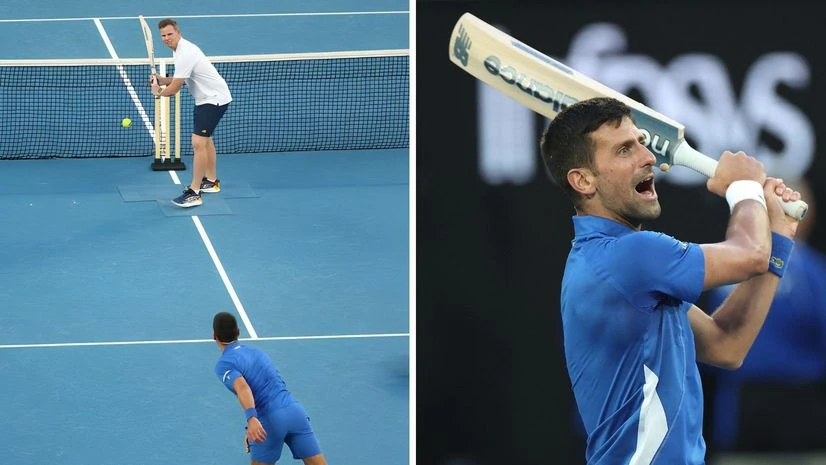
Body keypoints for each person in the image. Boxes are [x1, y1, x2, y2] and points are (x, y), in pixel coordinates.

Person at [539, 97, 800, 464]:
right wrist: (743, 189)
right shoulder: (628, 257)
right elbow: (750, 254)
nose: (647, 157)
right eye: (624, 150)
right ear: (583, 181)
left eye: (641, 141)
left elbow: (727, 346)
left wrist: (779, 237)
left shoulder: (621, 269)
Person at [702, 177, 826, 456]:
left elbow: (706, 348)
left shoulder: (725, 268)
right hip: (799, 415)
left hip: (743, 413)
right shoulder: (814, 273)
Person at [212, 312, 327, 465]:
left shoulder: (224, 364)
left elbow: (242, 386)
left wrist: (252, 418)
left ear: (215, 336)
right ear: (238, 332)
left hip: (270, 422)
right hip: (296, 413)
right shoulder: (259, 353)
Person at [151, 18, 232, 208]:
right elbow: (182, 77)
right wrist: (162, 80)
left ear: (178, 32)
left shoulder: (185, 52)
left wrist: (159, 92)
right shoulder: (180, 50)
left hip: (213, 99)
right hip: (208, 98)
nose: (166, 38)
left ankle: (194, 192)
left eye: (170, 34)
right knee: (206, 140)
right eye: (163, 35)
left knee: (198, 143)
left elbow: (176, 88)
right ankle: (211, 182)